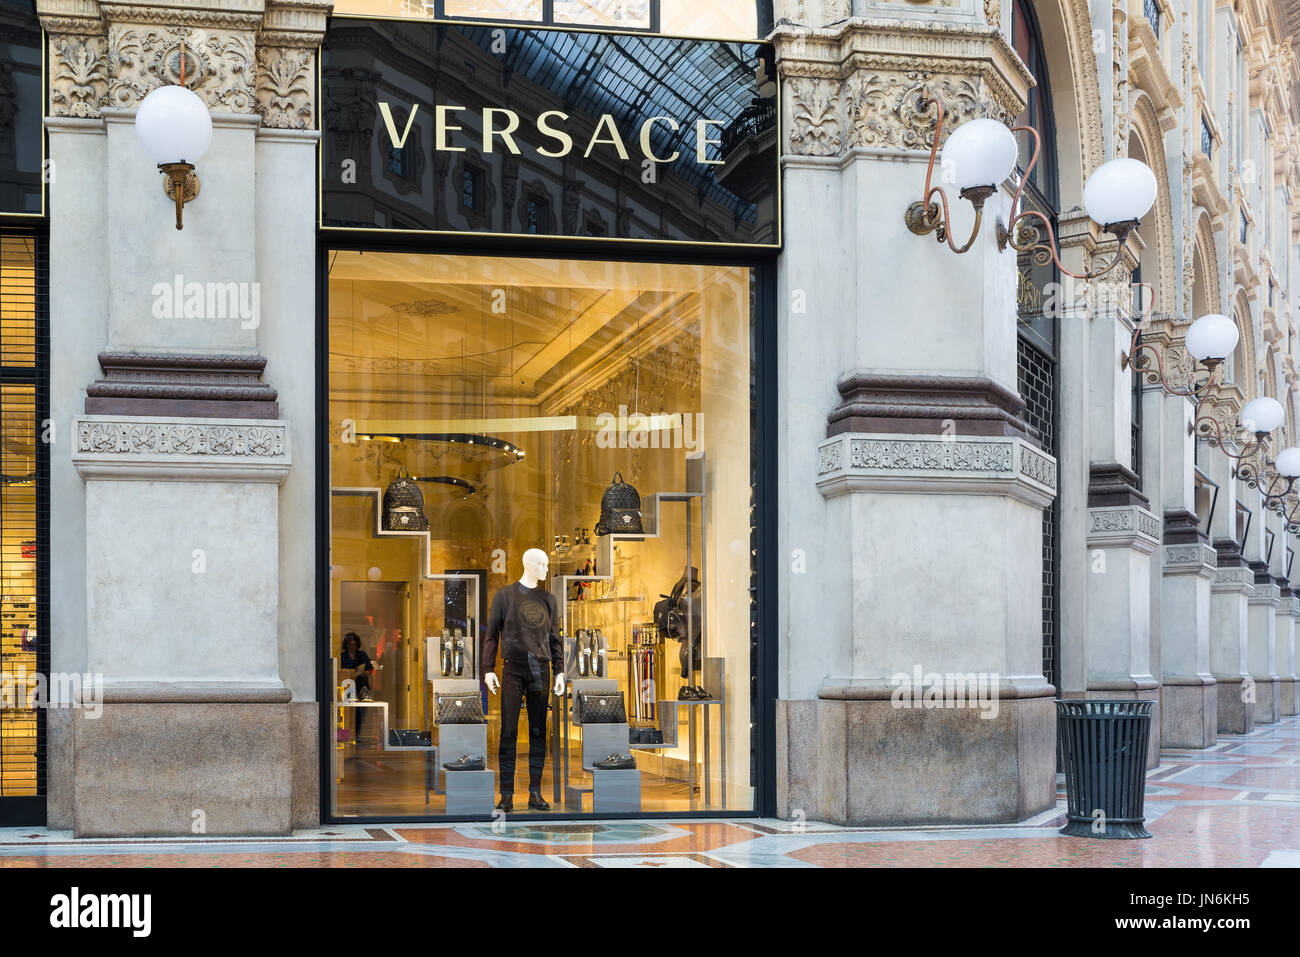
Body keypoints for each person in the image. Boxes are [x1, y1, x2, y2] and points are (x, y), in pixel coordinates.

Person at [483, 548, 565, 813]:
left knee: (538, 731)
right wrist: (488, 668)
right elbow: (492, 634)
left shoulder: (549, 599)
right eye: (541, 564)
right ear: (528, 564)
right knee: (508, 731)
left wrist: (560, 670)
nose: (545, 568)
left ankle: (535, 792)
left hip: (541, 669)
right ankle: (506, 794)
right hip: (513, 669)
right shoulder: (504, 596)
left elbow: (554, 637)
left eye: (546, 564)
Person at [341, 632, 375, 742]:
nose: (352, 646)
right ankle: (349, 735)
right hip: (348, 688)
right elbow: (341, 671)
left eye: (354, 644)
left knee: (361, 712)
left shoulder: (362, 655)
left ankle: (357, 734)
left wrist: (366, 672)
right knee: (348, 713)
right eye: (350, 644)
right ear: (346, 645)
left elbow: (370, 669)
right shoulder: (343, 656)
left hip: (362, 688)